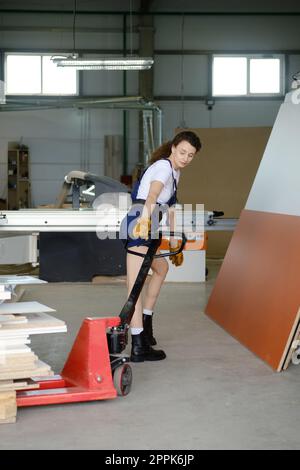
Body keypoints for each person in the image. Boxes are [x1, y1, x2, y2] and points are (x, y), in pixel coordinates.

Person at [120, 131, 202, 362]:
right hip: (141, 221)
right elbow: (153, 195)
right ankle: (138, 345)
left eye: (191, 155)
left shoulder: (175, 173)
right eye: (183, 152)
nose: (186, 158)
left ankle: (146, 325)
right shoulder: (164, 167)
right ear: (173, 148)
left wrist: (175, 238)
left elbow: (172, 207)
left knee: (161, 268)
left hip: (152, 224)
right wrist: (145, 219)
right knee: (134, 288)